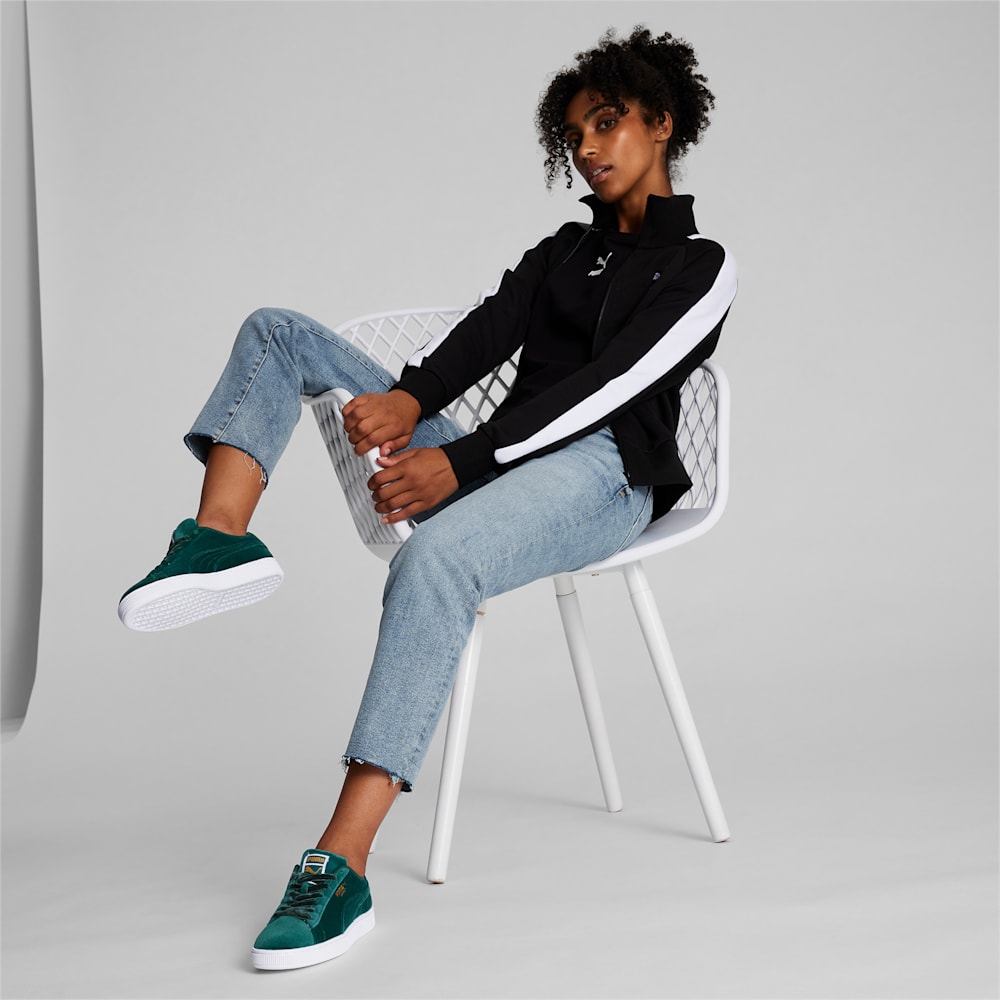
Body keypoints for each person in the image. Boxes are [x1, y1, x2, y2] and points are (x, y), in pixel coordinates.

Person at [118, 25, 737, 971]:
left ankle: (340, 867)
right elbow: (488, 332)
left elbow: (609, 388)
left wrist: (465, 464)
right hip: (503, 461)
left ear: (661, 122)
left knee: (435, 558)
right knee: (278, 331)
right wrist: (411, 400)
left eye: (607, 122)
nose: (587, 146)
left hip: (606, 474)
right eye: (574, 133)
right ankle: (220, 536)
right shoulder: (563, 250)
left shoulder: (700, 266)